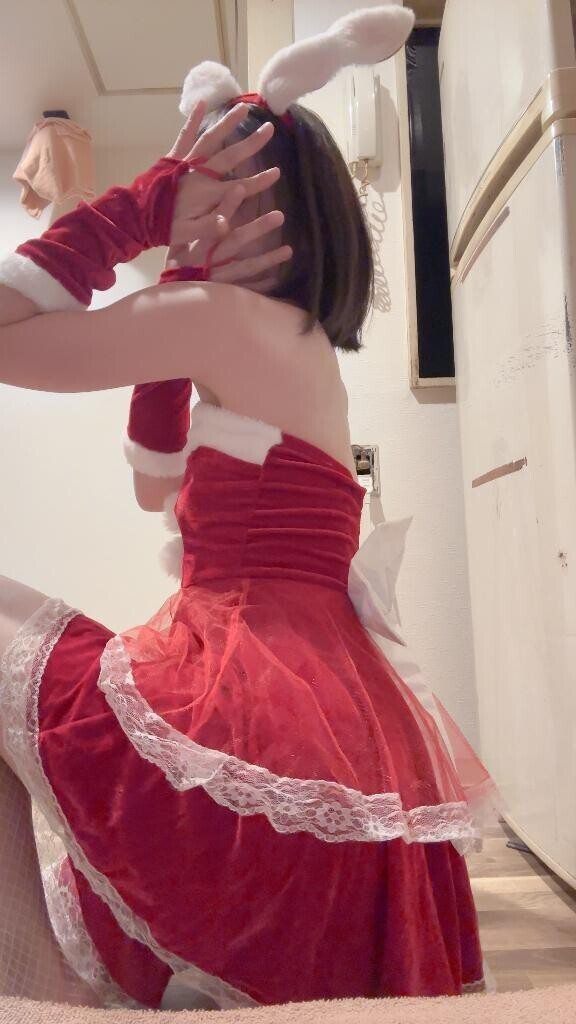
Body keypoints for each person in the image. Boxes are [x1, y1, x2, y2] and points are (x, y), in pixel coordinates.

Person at [0, 6, 499, 1012]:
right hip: (325, 724)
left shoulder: (219, 318)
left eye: (206, 182)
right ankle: (44, 973)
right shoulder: (288, 342)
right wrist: (180, 268)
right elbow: (153, 484)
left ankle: (33, 980)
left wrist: (140, 210)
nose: (194, 205)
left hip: (252, 716)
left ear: (255, 200)